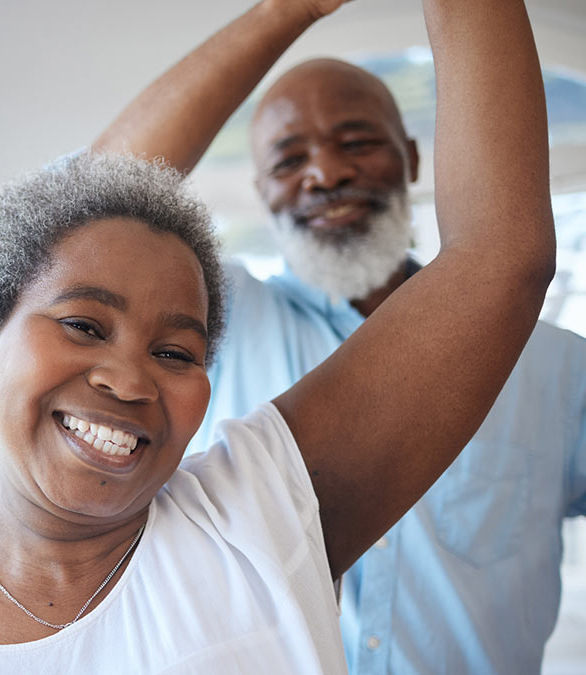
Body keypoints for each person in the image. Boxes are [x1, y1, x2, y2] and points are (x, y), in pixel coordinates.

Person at [0, 0, 555, 672]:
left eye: (176, 350)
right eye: (83, 323)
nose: (129, 378)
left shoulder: (256, 519)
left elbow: (500, 258)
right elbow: (87, 202)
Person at [93, 1, 586, 674]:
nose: (326, 173)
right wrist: (290, 9)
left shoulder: (558, 368)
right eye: (291, 158)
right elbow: (87, 208)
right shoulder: (216, 321)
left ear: (412, 159)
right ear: (264, 191)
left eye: (356, 142)